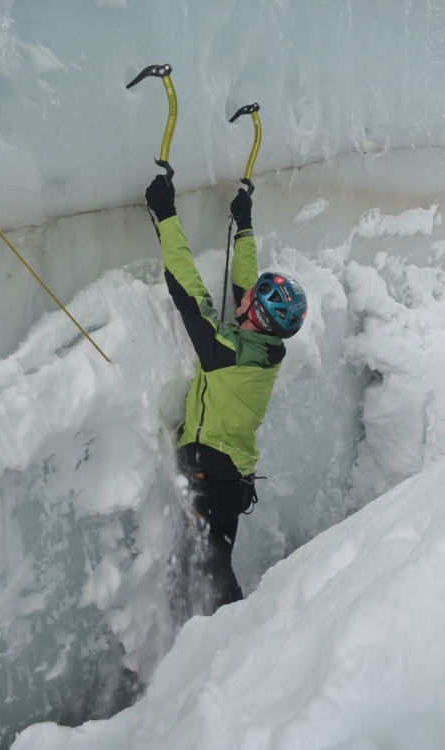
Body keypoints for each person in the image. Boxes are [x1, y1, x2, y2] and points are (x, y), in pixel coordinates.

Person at [145, 175, 308, 618]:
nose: (245, 292)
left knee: (212, 575)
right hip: (227, 483)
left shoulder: (228, 353)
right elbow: (247, 282)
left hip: (211, 481)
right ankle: (203, 638)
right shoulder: (263, 348)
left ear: (254, 314)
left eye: (250, 297)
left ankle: (240, 643)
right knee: (206, 567)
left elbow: (187, 289)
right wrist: (245, 223)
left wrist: (165, 215)